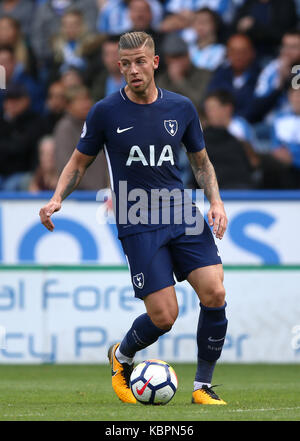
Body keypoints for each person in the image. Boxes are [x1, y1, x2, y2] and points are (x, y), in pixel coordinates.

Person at [39, 31, 228, 405]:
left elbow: (201, 163)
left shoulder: (183, 108)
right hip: (137, 218)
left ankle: (202, 387)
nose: (132, 70)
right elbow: (79, 163)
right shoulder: (106, 112)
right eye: (125, 64)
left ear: (154, 63)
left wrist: (216, 202)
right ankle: (122, 357)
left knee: (215, 292)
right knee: (164, 317)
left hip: (181, 213)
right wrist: (57, 197)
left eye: (140, 61)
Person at [54, 85, 109, 191]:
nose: (86, 104)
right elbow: (65, 163)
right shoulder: (65, 128)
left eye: (87, 99)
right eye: (79, 101)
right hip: (79, 195)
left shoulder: (97, 125)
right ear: (68, 106)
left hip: (102, 192)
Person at [206, 33, 260, 118]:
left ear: (252, 53)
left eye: (242, 51)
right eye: (233, 51)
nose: (238, 56)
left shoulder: (260, 76)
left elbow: (256, 108)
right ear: (227, 53)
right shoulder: (220, 73)